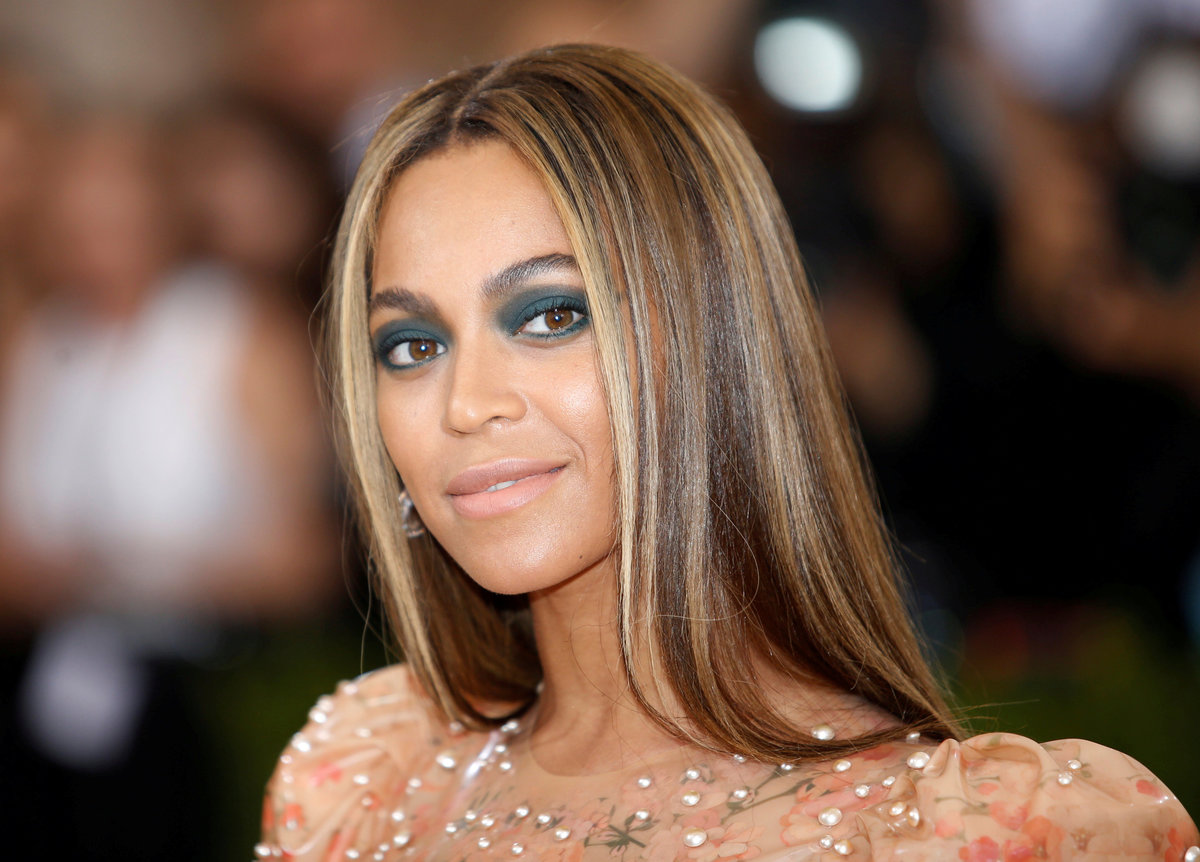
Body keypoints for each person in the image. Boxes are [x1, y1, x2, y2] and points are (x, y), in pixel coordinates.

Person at [259, 44, 1198, 860]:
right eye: (412, 346)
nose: (466, 405)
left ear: (708, 342)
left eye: (550, 316)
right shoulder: (364, 779)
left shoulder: (980, 834)